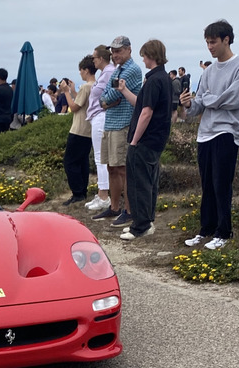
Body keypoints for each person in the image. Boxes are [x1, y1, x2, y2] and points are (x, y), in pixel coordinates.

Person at [180, 19, 239, 250]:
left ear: (226, 40)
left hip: (228, 131)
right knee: (208, 185)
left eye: (213, 42)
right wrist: (189, 104)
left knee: (222, 184)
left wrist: (210, 99)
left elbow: (233, 100)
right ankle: (206, 230)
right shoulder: (209, 70)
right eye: (207, 43)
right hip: (206, 133)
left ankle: (224, 232)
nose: (210, 47)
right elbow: (200, 103)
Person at [115, 40, 173, 240]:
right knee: (148, 182)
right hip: (156, 140)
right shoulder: (162, 78)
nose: (143, 59)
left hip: (145, 140)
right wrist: (123, 90)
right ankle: (145, 221)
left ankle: (140, 226)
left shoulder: (154, 80)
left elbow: (146, 113)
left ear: (152, 55)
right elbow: (140, 104)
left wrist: (134, 141)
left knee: (139, 183)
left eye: (144, 55)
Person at [92, 36, 142, 228]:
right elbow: (104, 98)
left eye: (118, 50)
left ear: (129, 50)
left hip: (123, 124)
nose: (115, 54)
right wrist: (107, 100)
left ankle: (128, 211)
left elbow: (109, 95)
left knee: (123, 168)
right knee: (111, 167)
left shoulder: (131, 70)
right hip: (111, 123)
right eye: (113, 51)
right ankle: (114, 207)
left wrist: (107, 100)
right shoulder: (118, 70)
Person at [60, 55, 96, 206]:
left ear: (86, 70)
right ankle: (82, 191)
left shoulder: (86, 87)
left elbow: (74, 107)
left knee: (70, 162)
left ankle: (77, 192)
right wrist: (74, 92)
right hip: (89, 130)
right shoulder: (95, 85)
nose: (80, 73)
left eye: (81, 70)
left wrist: (66, 92)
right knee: (82, 162)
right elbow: (83, 102)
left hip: (78, 130)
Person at [85, 45, 115, 212]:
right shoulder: (106, 73)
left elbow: (107, 95)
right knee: (100, 157)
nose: (93, 60)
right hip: (98, 116)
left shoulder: (109, 72)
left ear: (101, 59)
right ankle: (102, 193)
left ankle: (104, 195)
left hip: (101, 116)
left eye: (95, 58)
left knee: (100, 157)